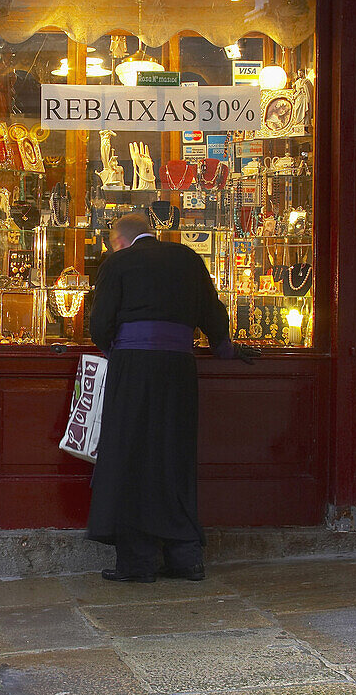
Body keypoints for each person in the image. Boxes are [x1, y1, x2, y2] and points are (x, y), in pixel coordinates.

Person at [88, 213, 256, 583]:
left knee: (132, 456)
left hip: (134, 368)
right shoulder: (188, 259)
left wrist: (116, 348)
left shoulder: (118, 262)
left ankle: (137, 562)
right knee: (173, 454)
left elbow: (100, 324)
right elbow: (213, 313)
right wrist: (224, 349)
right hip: (179, 368)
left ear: (120, 240)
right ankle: (185, 558)